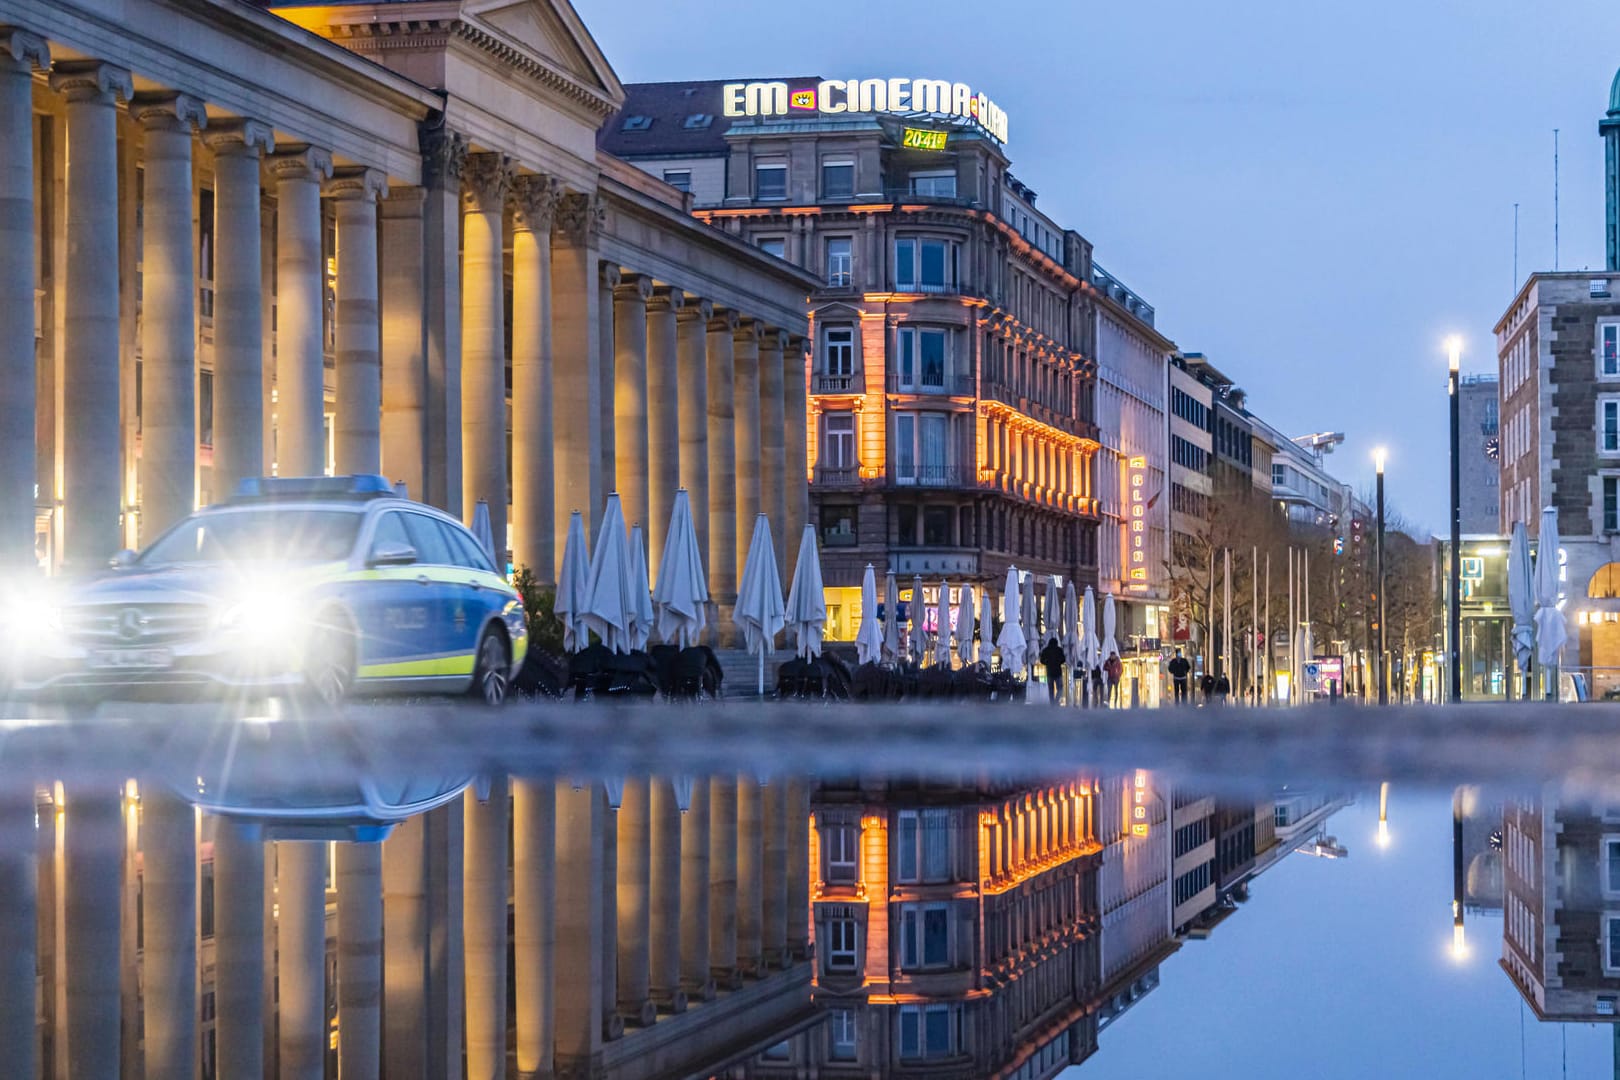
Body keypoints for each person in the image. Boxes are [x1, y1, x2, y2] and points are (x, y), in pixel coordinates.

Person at [1040, 636, 1066, 703]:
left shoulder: (1046, 650)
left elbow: (1041, 660)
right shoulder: (1059, 650)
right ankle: (1056, 700)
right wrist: (1059, 662)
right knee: (1060, 688)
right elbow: (1063, 659)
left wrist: (1047, 663)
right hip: (1058, 672)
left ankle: (1052, 702)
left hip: (1049, 672)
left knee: (1051, 689)